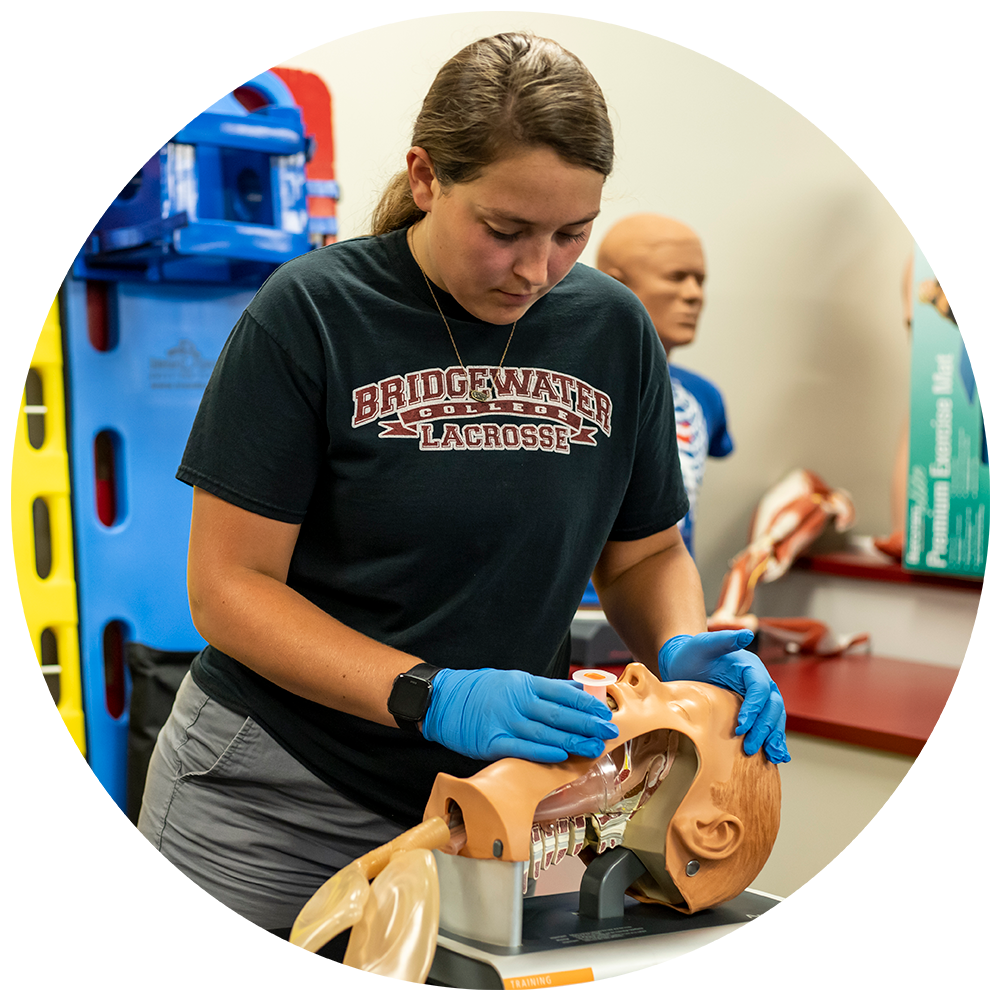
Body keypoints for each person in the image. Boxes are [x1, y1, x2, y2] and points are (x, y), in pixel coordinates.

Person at [138, 32, 789, 967]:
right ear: (427, 176)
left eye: (573, 234)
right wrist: (426, 693)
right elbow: (229, 589)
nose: (537, 270)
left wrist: (683, 654)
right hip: (274, 796)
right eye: (506, 229)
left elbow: (644, 552)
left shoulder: (611, 329)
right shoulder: (314, 313)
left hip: (507, 798)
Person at [597, 214, 733, 555]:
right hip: (575, 604)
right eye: (676, 278)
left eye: (700, 280)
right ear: (617, 285)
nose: (694, 295)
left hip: (671, 601)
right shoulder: (568, 388)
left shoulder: (704, 396)